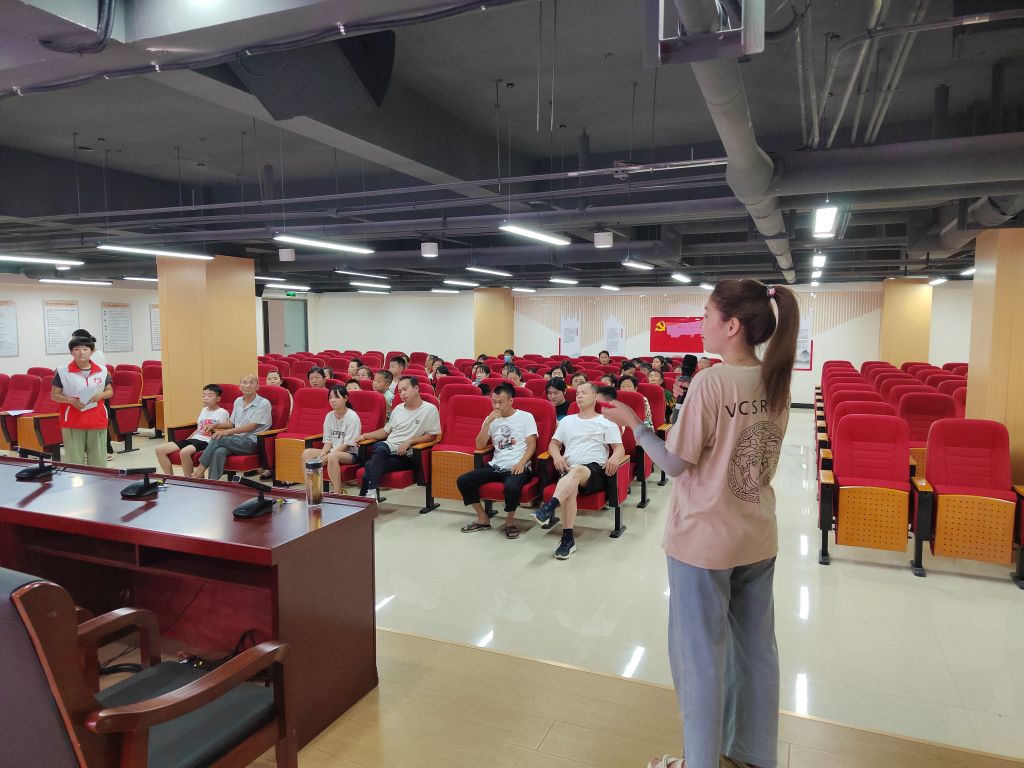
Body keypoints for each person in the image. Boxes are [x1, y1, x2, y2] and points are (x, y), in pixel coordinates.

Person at [602, 279, 798, 768]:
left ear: (732, 326)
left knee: (700, 662)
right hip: (757, 535)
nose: (701, 323)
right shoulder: (775, 379)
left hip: (704, 542)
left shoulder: (713, 382)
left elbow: (674, 463)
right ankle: (751, 757)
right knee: (756, 654)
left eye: (707, 315)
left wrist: (635, 424)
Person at [532, 382, 624, 560]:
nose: (579, 396)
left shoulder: (606, 422)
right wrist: (557, 457)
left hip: (595, 471)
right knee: (570, 487)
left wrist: (614, 457)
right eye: (577, 394)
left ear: (595, 397)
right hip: (569, 469)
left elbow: (619, 448)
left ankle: (548, 507)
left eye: (584, 393)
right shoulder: (567, 421)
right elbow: (554, 445)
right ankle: (567, 539)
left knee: (577, 471)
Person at [456, 383, 538, 539]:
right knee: (463, 481)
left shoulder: (525, 417)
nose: (497, 406)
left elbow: (532, 445)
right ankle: (482, 517)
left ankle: (509, 522)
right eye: (494, 402)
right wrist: (487, 423)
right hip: (496, 466)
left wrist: (521, 463)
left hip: (517, 466)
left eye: (501, 402)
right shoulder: (491, 419)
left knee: (511, 487)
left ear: (510, 401)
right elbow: (480, 445)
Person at [356, 376, 441, 500]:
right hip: (387, 449)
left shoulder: (429, 409)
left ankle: (364, 499)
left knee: (370, 464)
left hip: (405, 455)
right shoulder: (398, 408)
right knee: (379, 449)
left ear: (416, 388)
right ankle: (370, 494)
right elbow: (386, 431)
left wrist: (410, 441)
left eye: (405, 389)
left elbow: (432, 436)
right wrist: (365, 435)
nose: (402, 394)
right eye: (400, 391)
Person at [51, 335, 113, 468]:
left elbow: (110, 391)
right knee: (74, 462)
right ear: (71, 352)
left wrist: (100, 395)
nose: (81, 352)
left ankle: (97, 482)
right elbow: (54, 395)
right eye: (77, 349)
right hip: (73, 419)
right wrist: (70, 400)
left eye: (85, 349)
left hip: (97, 418)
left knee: (98, 462)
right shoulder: (62, 372)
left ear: (91, 351)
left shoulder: (103, 371)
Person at [193, 375, 272, 480]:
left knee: (218, 437)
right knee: (219, 451)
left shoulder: (263, 403)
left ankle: (199, 472)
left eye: (251, 382)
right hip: (235, 441)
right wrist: (215, 425)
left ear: (257, 386)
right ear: (240, 387)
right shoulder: (238, 401)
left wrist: (226, 432)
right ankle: (213, 482)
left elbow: (252, 426)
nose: (248, 385)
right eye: (244, 382)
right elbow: (232, 423)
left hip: (252, 442)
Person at [155, 384, 228, 476]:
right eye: (204, 395)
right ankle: (170, 478)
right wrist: (187, 440)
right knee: (159, 450)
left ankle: (190, 480)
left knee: (184, 452)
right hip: (196, 438)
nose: (206, 398)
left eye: (210, 396)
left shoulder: (222, 413)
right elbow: (198, 429)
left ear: (218, 399)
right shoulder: (204, 410)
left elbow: (223, 431)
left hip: (208, 441)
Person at [302, 385, 361, 492]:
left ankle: (337, 493)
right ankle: (311, 491)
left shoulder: (352, 417)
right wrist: (323, 453)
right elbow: (328, 441)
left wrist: (328, 456)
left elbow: (347, 444)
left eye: (336, 397)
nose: (333, 400)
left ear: (345, 398)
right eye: (330, 397)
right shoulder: (329, 416)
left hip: (350, 454)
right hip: (332, 451)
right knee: (307, 453)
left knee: (332, 456)